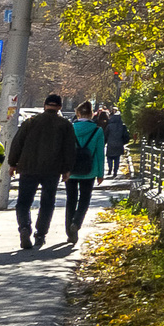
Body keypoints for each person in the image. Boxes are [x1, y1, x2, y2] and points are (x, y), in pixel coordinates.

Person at [7, 94, 72, 251]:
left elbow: (17, 143)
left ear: (44, 105)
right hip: (52, 169)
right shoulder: (65, 125)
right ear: (60, 107)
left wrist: (12, 163)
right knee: (48, 202)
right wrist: (67, 169)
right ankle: (41, 234)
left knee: (23, 202)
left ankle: (24, 227)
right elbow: (69, 149)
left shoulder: (30, 122)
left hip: (28, 167)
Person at [63, 100, 106, 244]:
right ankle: (77, 222)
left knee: (71, 199)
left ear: (78, 113)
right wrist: (100, 173)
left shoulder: (70, 128)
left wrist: (63, 169)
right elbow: (100, 153)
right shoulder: (97, 131)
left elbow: (65, 150)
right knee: (84, 199)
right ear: (91, 114)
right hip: (90, 170)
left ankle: (70, 231)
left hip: (71, 171)